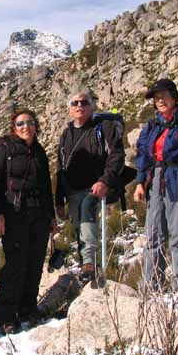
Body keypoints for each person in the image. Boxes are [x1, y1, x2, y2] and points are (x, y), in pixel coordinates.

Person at [133, 78, 178, 292]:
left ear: (174, 97)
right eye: (157, 98)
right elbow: (143, 155)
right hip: (156, 180)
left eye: (164, 96)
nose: (160, 101)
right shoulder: (153, 125)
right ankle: (151, 285)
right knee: (153, 235)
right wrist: (140, 183)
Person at [0, 109, 56, 335]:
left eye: (29, 122)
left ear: (36, 125)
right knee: (16, 263)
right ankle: (6, 314)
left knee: (35, 262)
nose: (25, 126)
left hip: (39, 215)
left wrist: (51, 217)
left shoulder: (39, 152)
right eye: (20, 124)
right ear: (13, 128)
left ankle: (28, 308)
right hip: (14, 214)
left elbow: (46, 186)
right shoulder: (5, 150)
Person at [55, 90, 125, 282]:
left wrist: (105, 180)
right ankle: (88, 269)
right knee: (79, 227)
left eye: (84, 102)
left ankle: (89, 264)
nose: (79, 106)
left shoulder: (104, 127)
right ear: (69, 108)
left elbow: (117, 155)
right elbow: (60, 168)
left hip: (96, 186)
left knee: (87, 210)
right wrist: (59, 199)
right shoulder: (66, 134)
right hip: (73, 189)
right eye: (75, 103)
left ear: (91, 106)